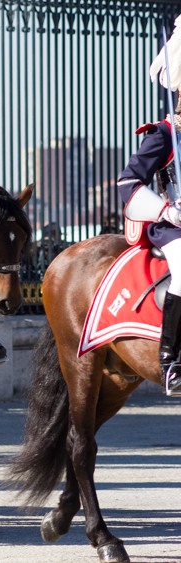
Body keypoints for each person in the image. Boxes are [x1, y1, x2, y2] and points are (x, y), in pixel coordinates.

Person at [117, 16, 181, 396]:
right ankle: (171, 358)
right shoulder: (164, 134)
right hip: (171, 222)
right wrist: (165, 210)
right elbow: (128, 182)